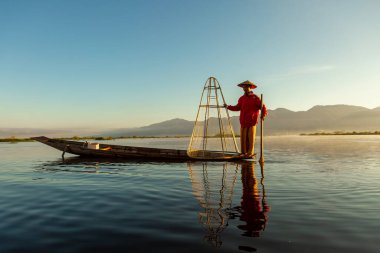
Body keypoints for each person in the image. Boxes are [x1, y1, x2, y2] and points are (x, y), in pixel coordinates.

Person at [224, 80, 267, 158]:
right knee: (243, 138)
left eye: (245, 86)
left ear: (249, 87)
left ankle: (250, 152)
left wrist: (263, 115)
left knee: (250, 137)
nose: (244, 88)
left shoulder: (255, 97)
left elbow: (262, 106)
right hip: (243, 121)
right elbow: (237, 107)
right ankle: (243, 152)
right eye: (243, 86)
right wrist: (228, 107)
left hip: (252, 121)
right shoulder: (242, 98)